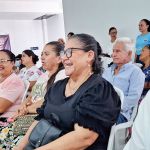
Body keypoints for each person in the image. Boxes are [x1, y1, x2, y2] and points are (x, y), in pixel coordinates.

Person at [15, 33, 121, 150]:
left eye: (69, 52)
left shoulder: (99, 89)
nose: (64, 58)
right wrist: (20, 146)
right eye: (63, 53)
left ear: (89, 55)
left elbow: (84, 138)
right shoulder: (57, 86)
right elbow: (41, 118)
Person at [14, 41, 67, 117]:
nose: (42, 57)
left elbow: (50, 101)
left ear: (59, 59)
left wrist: (27, 109)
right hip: (30, 112)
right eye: (42, 54)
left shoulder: (62, 75)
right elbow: (31, 95)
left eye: (46, 54)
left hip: (42, 115)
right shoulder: (44, 75)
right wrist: (23, 105)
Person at [103, 37, 145, 124]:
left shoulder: (136, 72)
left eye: (117, 51)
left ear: (129, 54)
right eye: (113, 51)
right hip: (101, 109)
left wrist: (110, 106)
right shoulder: (108, 70)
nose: (113, 54)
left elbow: (132, 99)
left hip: (119, 114)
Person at [0, 50, 25, 119]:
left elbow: (1, 108)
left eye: (3, 61)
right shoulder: (2, 78)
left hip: (7, 120)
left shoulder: (14, 82)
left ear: (12, 63)